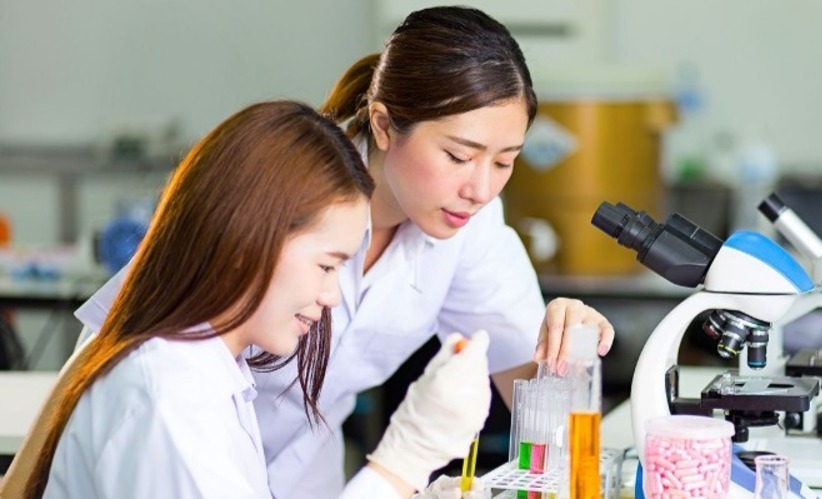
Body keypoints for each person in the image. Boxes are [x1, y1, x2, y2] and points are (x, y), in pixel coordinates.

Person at [73, 6, 616, 497]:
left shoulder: (468, 227)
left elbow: (538, 395)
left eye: (504, 162)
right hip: (179, 452)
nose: (480, 188)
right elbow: (119, 349)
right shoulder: (287, 186)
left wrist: (569, 356)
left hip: (304, 475)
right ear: (383, 125)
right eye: (457, 155)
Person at [8, 101, 492, 498]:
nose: (330, 296)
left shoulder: (217, 372)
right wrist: (399, 464)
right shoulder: (170, 397)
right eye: (327, 266)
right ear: (249, 242)